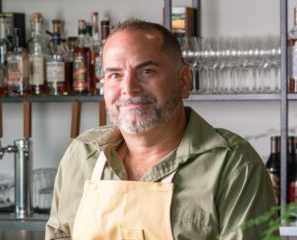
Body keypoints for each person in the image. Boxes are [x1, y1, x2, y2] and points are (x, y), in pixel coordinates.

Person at [45, 19, 276, 239]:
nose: (129, 88)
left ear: (184, 81)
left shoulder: (233, 165)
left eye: (147, 72)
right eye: (115, 75)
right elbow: (59, 234)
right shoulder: (82, 154)